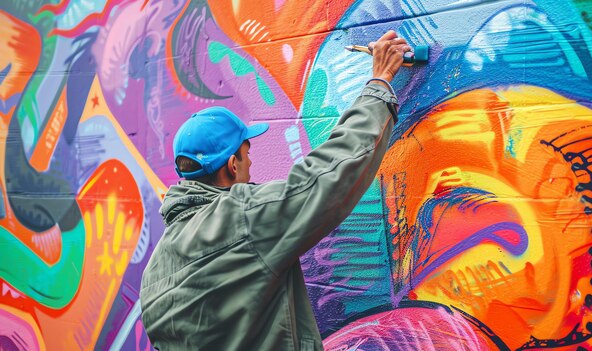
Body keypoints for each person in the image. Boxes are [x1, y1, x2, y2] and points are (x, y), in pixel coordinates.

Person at [140, 30, 412, 350]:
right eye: (248, 152)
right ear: (232, 164)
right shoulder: (239, 218)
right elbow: (330, 173)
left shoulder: (156, 267)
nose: (251, 164)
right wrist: (379, 84)